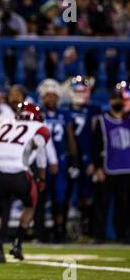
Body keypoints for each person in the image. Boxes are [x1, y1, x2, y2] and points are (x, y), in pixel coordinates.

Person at [0, 101, 50, 263]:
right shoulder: (40, 128)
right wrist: (42, 177)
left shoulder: (2, 123)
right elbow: (40, 150)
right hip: (19, 173)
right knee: (31, 204)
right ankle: (17, 243)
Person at [35, 79, 79, 242]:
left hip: (61, 161)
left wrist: (74, 161)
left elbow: (70, 137)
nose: (51, 99)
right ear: (42, 97)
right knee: (40, 198)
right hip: (41, 162)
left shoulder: (64, 115)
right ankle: (40, 233)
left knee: (60, 198)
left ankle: (59, 231)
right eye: (48, 96)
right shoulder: (37, 115)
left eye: (54, 96)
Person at [63, 75, 101, 239]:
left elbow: (97, 137)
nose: (80, 93)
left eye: (83, 90)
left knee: (87, 196)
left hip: (86, 157)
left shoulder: (94, 110)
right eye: (77, 90)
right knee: (64, 194)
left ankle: (87, 229)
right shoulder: (64, 110)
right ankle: (63, 230)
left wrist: (94, 160)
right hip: (68, 158)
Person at [92, 86, 130, 244]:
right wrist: (98, 167)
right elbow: (96, 145)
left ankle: (124, 235)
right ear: (110, 101)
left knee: (125, 206)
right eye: (115, 99)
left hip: (127, 169)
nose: (118, 102)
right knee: (103, 205)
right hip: (108, 168)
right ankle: (99, 235)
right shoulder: (101, 120)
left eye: (120, 100)